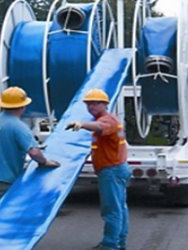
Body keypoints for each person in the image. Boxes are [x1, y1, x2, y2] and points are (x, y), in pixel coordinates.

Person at [0, 86, 61, 214]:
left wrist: (29, 146)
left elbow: (2, 141)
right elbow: (34, 152)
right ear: (23, 106)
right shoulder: (18, 126)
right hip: (2, 177)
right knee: (5, 214)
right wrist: (44, 161)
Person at [66, 89, 130, 250]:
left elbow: (99, 127)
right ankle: (119, 241)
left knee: (112, 210)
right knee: (119, 207)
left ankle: (110, 245)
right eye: (89, 104)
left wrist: (82, 124)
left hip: (111, 170)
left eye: (95, 104)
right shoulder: (109, 119)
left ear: (105, 104)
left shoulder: (108, 121)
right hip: (115, 168)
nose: (91, 107)